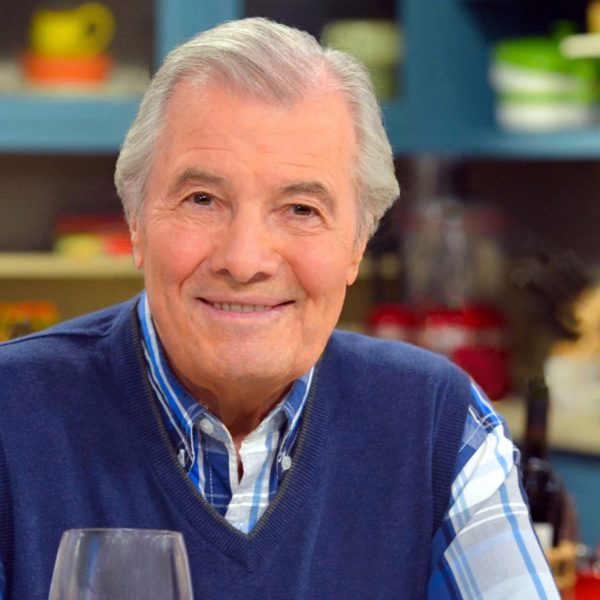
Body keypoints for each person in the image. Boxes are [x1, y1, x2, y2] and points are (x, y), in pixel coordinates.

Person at [0, 17, 559, 599]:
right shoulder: (9, 416)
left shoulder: (440, 425)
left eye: (300, 209)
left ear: (357, 244)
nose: (245, 261)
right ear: (136, 223)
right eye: (202, 199)